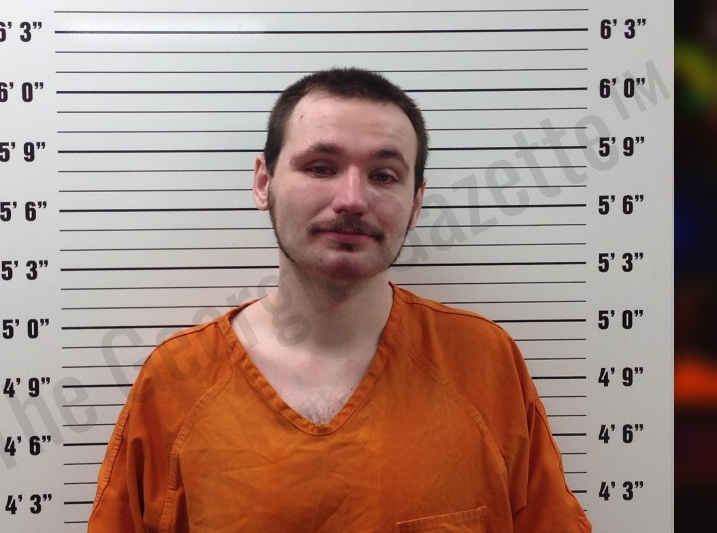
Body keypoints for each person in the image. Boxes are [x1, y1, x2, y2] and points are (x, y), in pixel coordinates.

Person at [88, 67, 592, 532]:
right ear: (263, 183)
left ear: (416, 202)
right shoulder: (175, 382)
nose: (352, 198)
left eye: (383, 175)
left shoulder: (484, 363)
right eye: (320, 167)